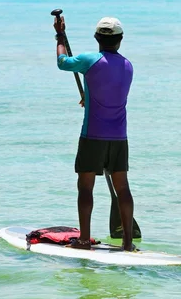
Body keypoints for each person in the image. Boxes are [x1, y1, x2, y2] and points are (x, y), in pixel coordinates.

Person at [54, 16, 136, 251]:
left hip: (93, 136)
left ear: (97, 39)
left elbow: (62, 62)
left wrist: (60, 35)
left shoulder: (90, 59)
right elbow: (110, 90)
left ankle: (83, 240)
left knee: (86, 187)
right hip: (120, 137)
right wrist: (89, 97)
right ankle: (128, 242)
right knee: (123, 188)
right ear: (120, 40)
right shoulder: (128, 65)